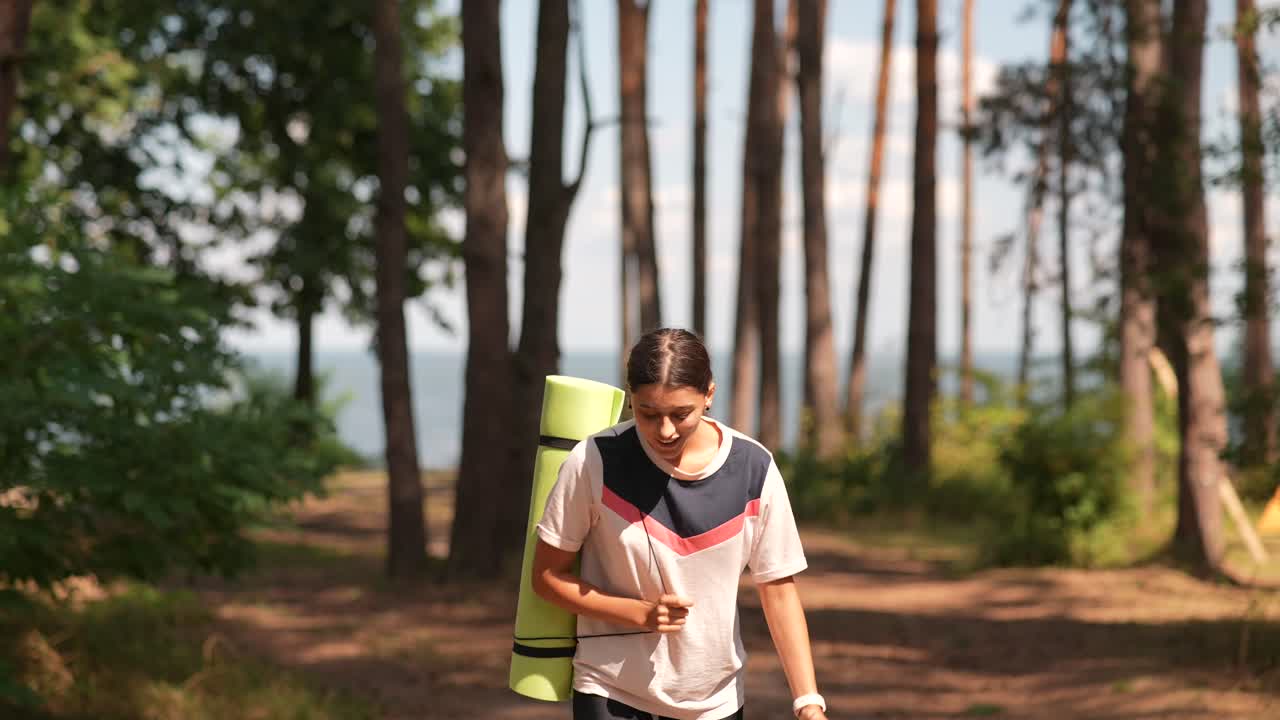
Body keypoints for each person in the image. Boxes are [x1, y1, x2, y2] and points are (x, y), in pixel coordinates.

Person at [531, 328, 828, 720]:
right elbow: (547, 576)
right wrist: (636, 613)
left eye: (680, 413)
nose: (665, 430)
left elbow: (778, 590)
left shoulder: (753, 469)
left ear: (709, 394)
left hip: (714, 702)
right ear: (630, 397)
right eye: (648, 413)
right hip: (610, 690)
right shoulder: (594, 462)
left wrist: (808, 701)